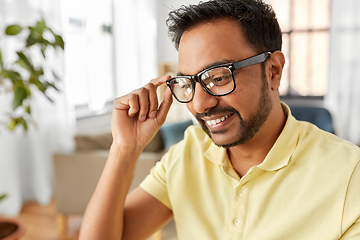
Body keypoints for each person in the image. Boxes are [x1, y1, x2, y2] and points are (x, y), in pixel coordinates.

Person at [79, 0, 360, 239]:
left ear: (273, 70)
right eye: (189, 83)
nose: (200, 104)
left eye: (219, 77)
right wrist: (124, 149)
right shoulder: (187, 155)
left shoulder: (349, 175)